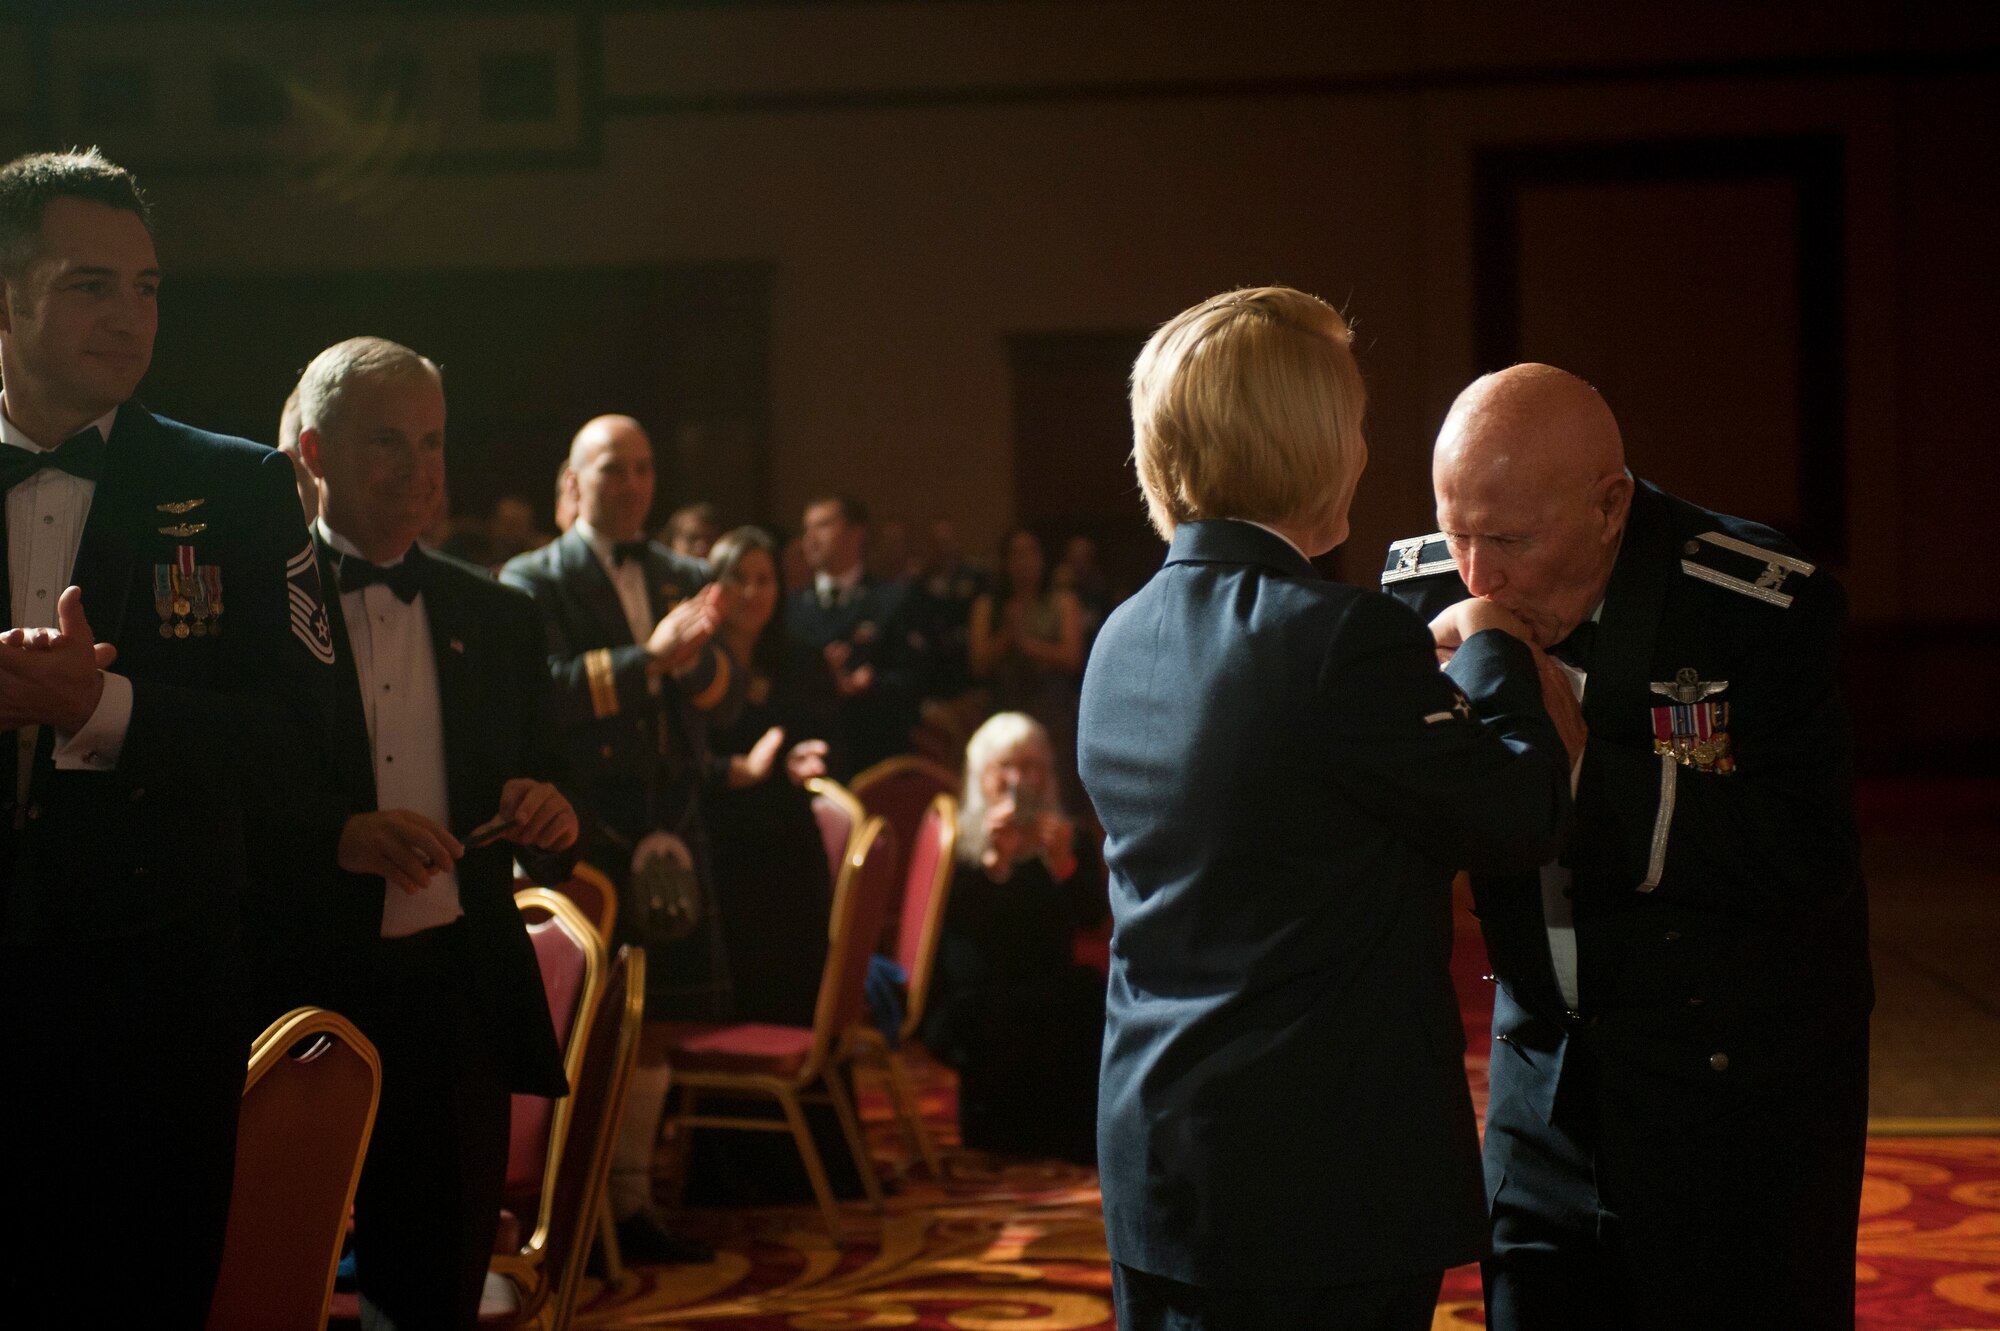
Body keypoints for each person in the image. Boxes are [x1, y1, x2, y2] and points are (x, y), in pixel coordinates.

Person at [1077, 286, 1577, 1331]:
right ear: (1301, 441)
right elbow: (1521, 811)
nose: (1360, 449)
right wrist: (1491, 645)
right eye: (1352, 420)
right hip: (1313, 1184)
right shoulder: (1339, 639)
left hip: (1160, 1155)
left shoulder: (1120, 634)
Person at [1380, 363, 1872, 1331]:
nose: (1476, 577)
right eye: (1455, 530)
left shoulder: (1751, 605)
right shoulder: (1429, 590)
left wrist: (1577, 768)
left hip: (1733, 1101)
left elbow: (1805, 858)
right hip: (1539, 1087)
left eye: (1509, 540)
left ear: (1610, 507)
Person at [0, 149, 335, 1326]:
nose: (130, 317)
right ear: (6, 297)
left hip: (148, 996)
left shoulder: (236, 485)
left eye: (146, 287)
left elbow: (301, 749)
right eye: (90, 285)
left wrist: (97, 708)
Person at [276, 336, 577, 1330]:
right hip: (299, 985)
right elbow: (219, 791)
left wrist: (551, 809)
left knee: (433, 1291)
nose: (417, 471)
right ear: (315, 452)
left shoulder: (500, 616)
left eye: (433, 442)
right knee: (272, 1274)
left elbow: (556, 791)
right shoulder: (258, 608)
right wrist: (337, 834)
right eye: (387, 442)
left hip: (456, 992)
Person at [499, 413, 736, 1264]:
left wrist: (697, 663)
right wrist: (652, 659)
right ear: (575, 479)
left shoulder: (685, 572)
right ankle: (571, 1208)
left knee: (661, 1018)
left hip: (672, 825)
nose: (631, 484)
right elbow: (547, 693)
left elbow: (724, 697)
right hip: (585, 829)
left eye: (642, 467)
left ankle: (631, 1205)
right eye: (611, 469)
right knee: (583, 1022)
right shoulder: (532, 577)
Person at [920, 711, 1104, 1163]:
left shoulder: (1067, 837)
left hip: (1047, 977)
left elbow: (1093, 919)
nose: (1017, 780)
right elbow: (951, 928)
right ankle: (997, 1135)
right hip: (978, 985)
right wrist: (994, 863)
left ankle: (1069, 1136)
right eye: (1004, 766)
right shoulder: (960, 841)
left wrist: (1063, 865)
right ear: (981, 776)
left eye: (1030, 766)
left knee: (1085, 996)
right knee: (994, 1010)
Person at [704, 525, 836, 1025]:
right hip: (716, 834)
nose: (752, 592)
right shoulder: (695, 662)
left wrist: (805, 758)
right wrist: (734, 771)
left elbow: (827, 742)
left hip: (784, 833)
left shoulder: (801, 660)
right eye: (738, 578)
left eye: (764, 580)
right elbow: (677, 758)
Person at [785, 493, 930, 779]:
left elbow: (918, 681)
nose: (809, 539)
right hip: (810, 759)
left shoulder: (891, 600)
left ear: (856, 533)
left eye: (822, 526)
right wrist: (818, 675)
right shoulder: (791, 606)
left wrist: (871, 683)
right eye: (806, 529)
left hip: (875, 755)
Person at [967, 528, 1085, 801]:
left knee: (1053, 795)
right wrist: (1008, 635)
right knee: (1003, 793)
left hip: (1052, 714)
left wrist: (1026, 644)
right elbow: (978, 663)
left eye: (1030, 552)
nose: (1024, 561)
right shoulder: (988, 605)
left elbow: (1073, 658)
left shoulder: (1063, 601)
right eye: (1016, 554)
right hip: (1003, 710)